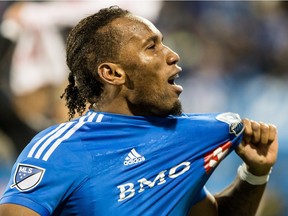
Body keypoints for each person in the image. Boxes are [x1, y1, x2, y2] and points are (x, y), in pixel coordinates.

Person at [0, 6, 278, 216]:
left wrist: (255, 173)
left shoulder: (179, 143)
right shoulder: (58, 152)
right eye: (151, 47)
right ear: (112, 73)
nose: (172, 54)